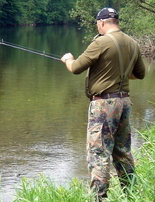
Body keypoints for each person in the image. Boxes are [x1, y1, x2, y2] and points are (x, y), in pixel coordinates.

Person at [60, 7, 146, 200]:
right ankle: (131, 194)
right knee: (123, 152)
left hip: (104, 105)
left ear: (102, 23)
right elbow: (140, 74)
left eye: (97, 24)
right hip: (124, 102)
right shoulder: (132, 43)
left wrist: (68, 59)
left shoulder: (100, 42)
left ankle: (99, 198)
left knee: (99, 153)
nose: (97, 27)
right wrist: (117, 76)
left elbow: (75, 68)